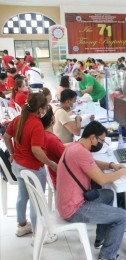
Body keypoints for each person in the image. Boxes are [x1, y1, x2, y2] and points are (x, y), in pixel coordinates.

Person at [56, 121, 126, 260]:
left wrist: (111, 165)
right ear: (92, 137)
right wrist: (125, 171)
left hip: (68, 202)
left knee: (108, 194)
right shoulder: (81, 152)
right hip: (74, 208)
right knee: (122, 216)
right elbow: (103, 180)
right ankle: (107, 256)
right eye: (101, 140)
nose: (101, 144)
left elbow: (91, 163)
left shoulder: (76, 146)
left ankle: (100, 239)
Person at [3, 93, 58, 242]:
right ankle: (38, 234)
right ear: (40, 109)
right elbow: (36, 150)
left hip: (18, 166)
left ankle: (22, 226)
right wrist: (51, 163)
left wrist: (13, 152)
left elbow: (7, 137)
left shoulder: (18, 119)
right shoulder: (36, 124)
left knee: (22, 196)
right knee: (37, 201)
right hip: (32, 169)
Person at [39, 106, 65, 189]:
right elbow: (68, 158)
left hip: (52, 176)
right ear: (53, 119)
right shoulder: (52, 139)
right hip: (62, 178)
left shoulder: (41, 135)